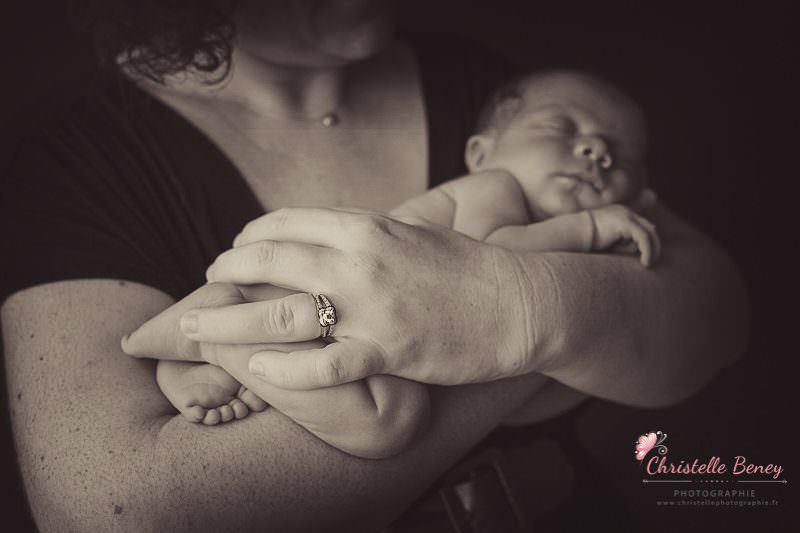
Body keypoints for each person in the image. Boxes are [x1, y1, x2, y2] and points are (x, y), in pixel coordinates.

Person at [1, 1, 747, 531]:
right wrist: (567, 318)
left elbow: (716, 312)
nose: (595, 152)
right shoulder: (73, 162)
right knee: (385, 415)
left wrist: (518, 309)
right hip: (286, 355)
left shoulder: (499, 95)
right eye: (571, 135)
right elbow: (127, 512)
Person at [126, 69, 659, 454]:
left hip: (373, 340)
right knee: (390, 423)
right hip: (323, 300)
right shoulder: (491, 189)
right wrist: (587, 230)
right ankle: (213, 335)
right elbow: (491, 267)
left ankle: (228, 358)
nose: (596, 153)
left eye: (622, 154)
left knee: (386, 426)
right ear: (479, 152)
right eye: (561, 130)